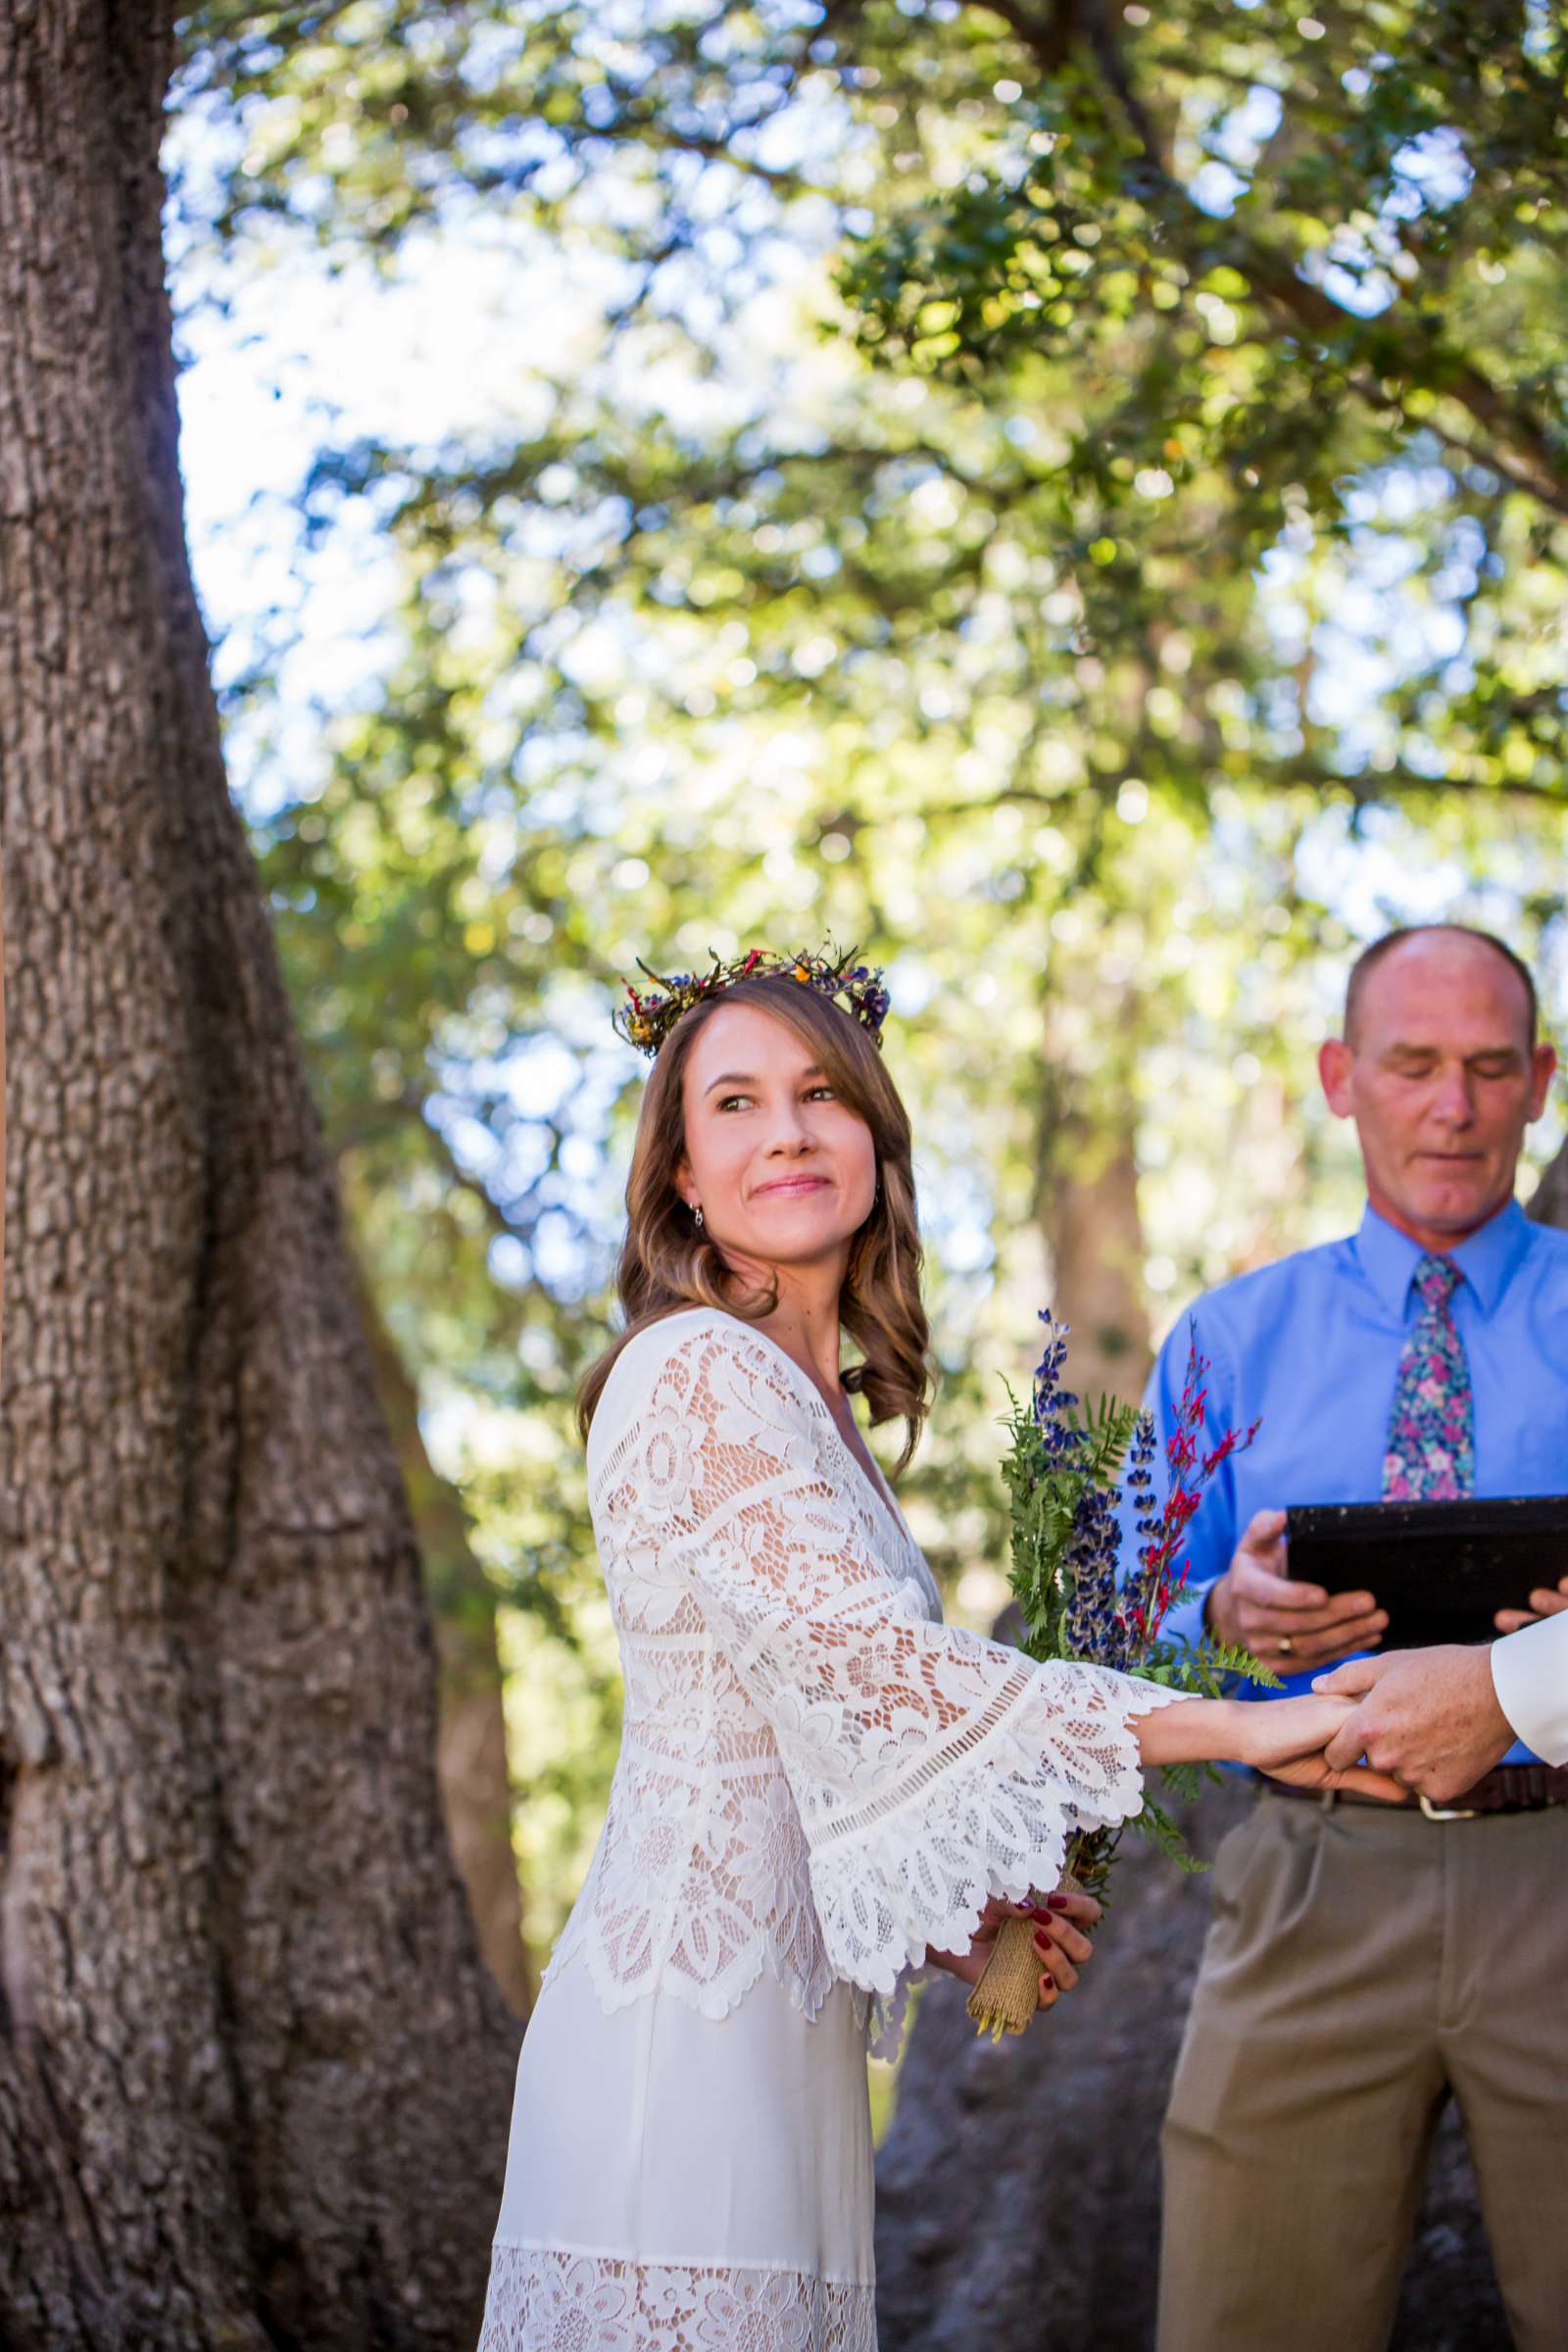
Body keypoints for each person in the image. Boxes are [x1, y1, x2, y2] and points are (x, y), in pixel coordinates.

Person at [476, 950, 1378, 2352]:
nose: (787, 1129)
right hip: (683, 2038)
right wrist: (1244, 1724)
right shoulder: (695, 1372)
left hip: (793, 2032)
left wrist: (947, 1920)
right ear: (681, 1180)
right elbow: (886, 1673)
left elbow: (810, 1743)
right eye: (735, 1104)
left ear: (877, 1143)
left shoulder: (811, 1410)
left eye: (823, 1093)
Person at [1145, 922, 1568, 2352]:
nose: (1452, 1106)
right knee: (1241, 2321)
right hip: (1308, 1876)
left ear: (1541, 1083)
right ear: (1341, 1077)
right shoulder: (1223, 1343)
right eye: (1413, 1065)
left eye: (1490, 1068)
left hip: (1564, 1860)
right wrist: (1220, 1614)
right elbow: (1128, 1632)